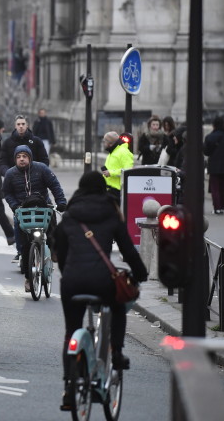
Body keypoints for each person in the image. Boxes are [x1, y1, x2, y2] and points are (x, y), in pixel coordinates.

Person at [55, 172, 148, 410]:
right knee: (117, 308)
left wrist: (68, 273)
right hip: (102, 281)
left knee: (70, 331)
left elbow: (59, 249)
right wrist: (140, 274)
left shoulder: (70, 214)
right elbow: (127, 249)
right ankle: (116, 353)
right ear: (102, 189)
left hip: (72, 282)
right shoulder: (111, 211)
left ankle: (69, 388)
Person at [2, 145, 67, 289]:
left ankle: (54, 250)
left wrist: (61, 202)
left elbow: (55, 185)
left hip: (43, 207)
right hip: (22, 211)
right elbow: (6, 192)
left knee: (52, 230)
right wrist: (14, 206)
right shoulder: (10, 174)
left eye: (24, 156)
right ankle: (27, 277)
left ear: (30, 158)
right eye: (18, 157)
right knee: (24, 245)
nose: (22, 159)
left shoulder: (41, 168)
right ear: (15, 160)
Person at [203, 116, 224, 214]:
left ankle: (217, 208)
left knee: (215, 188)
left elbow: (206, 152)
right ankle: (222, 206)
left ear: (214, 125)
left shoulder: (209, 137)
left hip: (214, 166)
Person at [101, 131, 134, 201]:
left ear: (110, 143)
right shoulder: (113, 152)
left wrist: (111, 172)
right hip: (109, 190)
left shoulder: (124, 152)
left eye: (104, 141)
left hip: (117, 191)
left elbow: (128, 170)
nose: (103, 143)